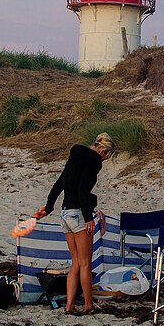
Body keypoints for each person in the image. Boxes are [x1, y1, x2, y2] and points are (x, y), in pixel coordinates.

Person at [33, 133, 114, 314]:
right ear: (102, 149)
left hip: (64, 213)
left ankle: (69, 305)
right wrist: (88, 218)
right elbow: (82, 190)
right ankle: (88, 305)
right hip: (78, 215)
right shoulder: (94, 161)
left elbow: (59, 183)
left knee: (75, 263)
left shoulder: (75, 156)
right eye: (106, 154)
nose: (106, 158)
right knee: (85, 263)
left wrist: (48, 207)